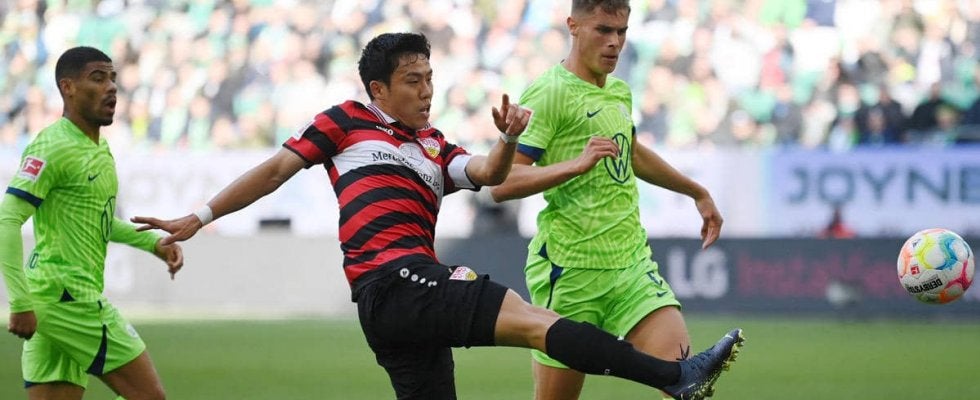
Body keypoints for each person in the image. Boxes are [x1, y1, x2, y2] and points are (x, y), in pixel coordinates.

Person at [132, 33, 743, 400]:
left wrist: (508, 139)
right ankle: (673, 376)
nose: (426, 91)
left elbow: (489, 175)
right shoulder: (344, 122)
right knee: (537, 320)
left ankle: (674, 376)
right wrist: (200, 216)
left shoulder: (434, 145)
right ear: (378, 89)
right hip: (393, 281)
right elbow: (274, 171)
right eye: (412, 80)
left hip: (400, 308)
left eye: (430, 78)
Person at [488, 2, 739, 400]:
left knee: (687, 384)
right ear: (573, 26)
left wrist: (696, 191)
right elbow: (501, 183)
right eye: (603, 30)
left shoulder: (619, 91)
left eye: (621, 32)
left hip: (631, 265)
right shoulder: (550, 92)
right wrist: (576, 164)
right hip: (571, 271)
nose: (614, 43)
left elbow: (631, 153)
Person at [0, 46, 184, 400]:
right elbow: (8, 219)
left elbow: (98, 221)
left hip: (53, 299)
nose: (111, 87)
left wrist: (152, 243)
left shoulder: (98, 148)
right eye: (98, 78)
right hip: (69, 297)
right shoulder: (53, 146)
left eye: (113, 78)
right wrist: (19, 301)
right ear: (68, 87)